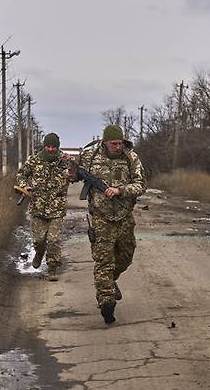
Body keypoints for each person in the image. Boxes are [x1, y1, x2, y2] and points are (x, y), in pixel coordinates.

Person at [76, 125, 145, 324]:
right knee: (104, 260)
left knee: (126, 256)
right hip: (100, 217)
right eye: (113, 143)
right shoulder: (89, 156)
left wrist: (120, 190)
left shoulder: (131, 158)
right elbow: (72, 175)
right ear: (104, 142)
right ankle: (106, 301)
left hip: (124, 215)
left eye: (120, 143)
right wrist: (72, 174)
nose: (117, 146)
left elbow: (141, 185)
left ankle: (108, 282)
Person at [16, 132, 71, 281]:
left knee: (53, 240)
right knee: (39, 240)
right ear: (44, 146)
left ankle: (52, 269)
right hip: (38, 207)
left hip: (57, 208)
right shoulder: (35, 160)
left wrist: (72, 163)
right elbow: (21, 174)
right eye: (48, 146)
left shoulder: (64, 161)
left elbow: (75, 174)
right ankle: (39, 253)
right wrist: (24, 185)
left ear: (57, 147)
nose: (51, 149)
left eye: (54, 147)